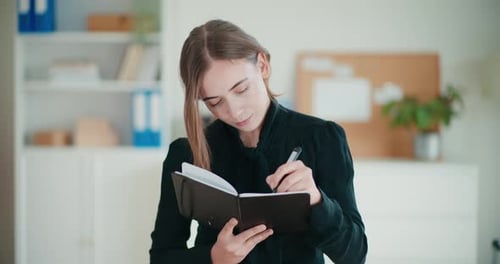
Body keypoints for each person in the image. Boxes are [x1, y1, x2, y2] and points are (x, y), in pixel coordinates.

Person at [150, 19, 367, 264]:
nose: (235, 111)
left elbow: (355, 255)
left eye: (241, 90)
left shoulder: (322, 138)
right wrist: (213, 258)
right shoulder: (185, 153)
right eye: (215, 102)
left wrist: (316, 200)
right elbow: (161, 257)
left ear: (262, 65)